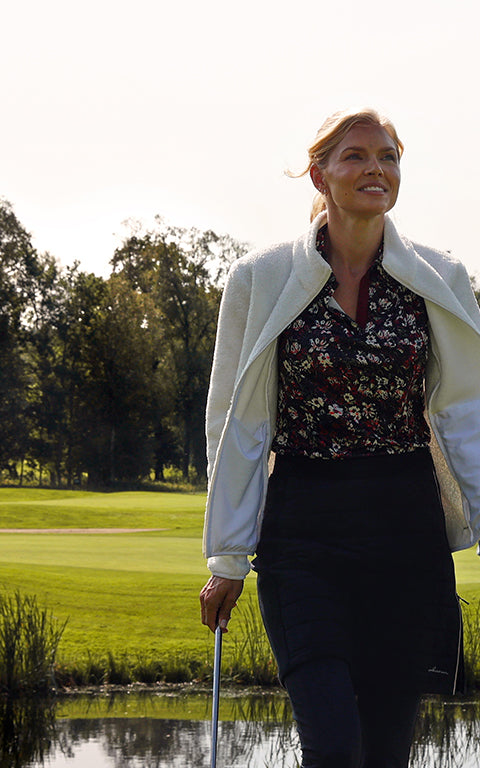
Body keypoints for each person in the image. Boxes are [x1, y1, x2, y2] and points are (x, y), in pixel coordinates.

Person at [198, 108, 480, 768]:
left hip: (407, 534)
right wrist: (228, 558)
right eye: (355, 156)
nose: (375, 168)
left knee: (384, 754)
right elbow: (236, 425)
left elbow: (467, 413)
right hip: (304, 534)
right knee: (333, 748)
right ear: (319, 173)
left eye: (389, 155)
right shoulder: (259, 279)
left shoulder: (442, 279)